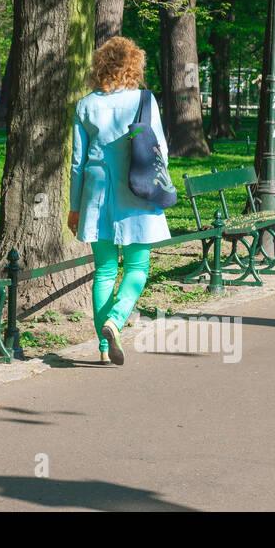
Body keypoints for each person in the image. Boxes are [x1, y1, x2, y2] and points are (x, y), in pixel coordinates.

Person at [67, 37, 172, 365]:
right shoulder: (144, 99)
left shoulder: (85, 105)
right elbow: (160, 150)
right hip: (137, 186)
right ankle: (117, 318)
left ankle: (102, 344)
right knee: (138, 266)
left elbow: (76, 161)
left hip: (96, 190)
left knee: (104, 270)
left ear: (100, 66)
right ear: (134, 66)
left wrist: (73, 207)